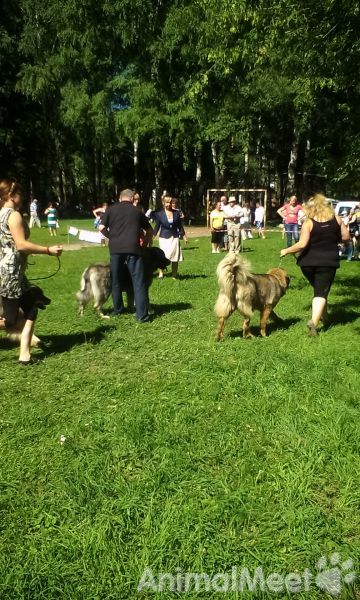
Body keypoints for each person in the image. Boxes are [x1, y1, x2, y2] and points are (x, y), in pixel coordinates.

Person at [0, 179, 62, 364]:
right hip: (10, 273)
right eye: (20, 194)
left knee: (31, 308)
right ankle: (24, 354)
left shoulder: (1, 214)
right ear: (12, 195)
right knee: (10, 321)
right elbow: (21, 244)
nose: (23, 198)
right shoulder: (13, 215)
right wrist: (48, 250)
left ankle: (25, 355)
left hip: (11, 271)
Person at [280, 193, 350, 336]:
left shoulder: (309, 223)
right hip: (327, 262)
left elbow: (302, 244)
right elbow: (346, 237)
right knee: (321, 292)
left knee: (321, 290)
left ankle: (325, 317)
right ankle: (314, 322)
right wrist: (333, 238)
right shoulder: (337, 220)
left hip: (307, 264)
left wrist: (286, 250)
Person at [99, 188, 153, 322]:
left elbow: (100, 227)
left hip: (115, 249)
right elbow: (150, 230)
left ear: (120, 198)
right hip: (133, 249)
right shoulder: (137, 211)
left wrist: (111, 236)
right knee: (138, 282)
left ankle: (117, 310)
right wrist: (144, 243)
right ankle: (141, 315)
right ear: (131, 198)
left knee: (115, 280)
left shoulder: (110, 209)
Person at [153, 195, 185, 279]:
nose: (169, 204)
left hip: (174, 237)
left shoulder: (176, 213)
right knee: (162, 256)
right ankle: (161, 273)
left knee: (175, 255)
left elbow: (180, 226)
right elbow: (157, 226)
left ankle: (174, 275)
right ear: (163, 203)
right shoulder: (159, 214)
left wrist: (184, 236)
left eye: (170, 202)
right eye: (167, 202)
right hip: (164, 238)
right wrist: (152, 236)